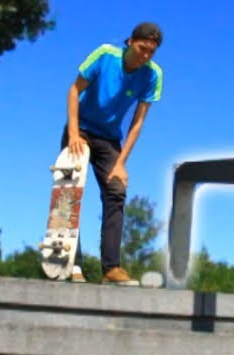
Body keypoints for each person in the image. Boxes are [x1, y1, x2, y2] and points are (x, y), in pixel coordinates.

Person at [62, 22, 164, 285]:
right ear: (130, 42)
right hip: (81, 128)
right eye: (142, 48)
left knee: (116, 190)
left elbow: (137, 123)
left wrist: (121, 163)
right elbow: (74, 90)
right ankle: (72, 263)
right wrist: (73, 134)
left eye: (151, 52)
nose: (145, 56)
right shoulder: (106, 55)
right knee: (71, 188)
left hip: (109, 139)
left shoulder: (152, 75)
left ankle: (111, 269)